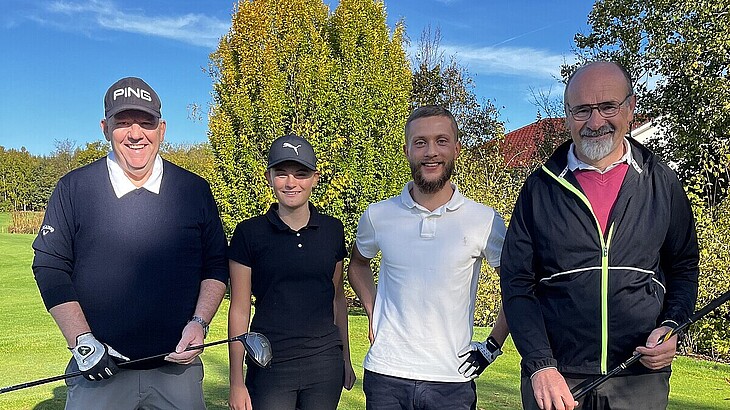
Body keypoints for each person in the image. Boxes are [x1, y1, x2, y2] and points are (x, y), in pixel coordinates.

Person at [500, 61, 699, 410]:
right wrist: (539, 364)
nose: (595, 122)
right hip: (556, 379)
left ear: (630, 107)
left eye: (608, 107)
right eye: (582, 110)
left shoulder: (662, 183)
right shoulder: (539, 188)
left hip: (639, 378)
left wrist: (672, 326)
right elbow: (517, 282)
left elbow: (683, 267)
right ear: (567, 115)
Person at [32, 77, 229, 409]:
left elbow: (216, 265)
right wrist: (82, 341)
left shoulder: (194, 190)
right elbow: (50, 266)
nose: (135, 133)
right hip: (99, 373)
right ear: (105, 128)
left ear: (161, 129)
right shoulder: (74, 188)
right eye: (123, 122)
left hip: (177, 371)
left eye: (146, 122)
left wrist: (199, 323)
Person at [348, 105, 510, 410]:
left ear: (457, 149)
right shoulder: (378, 215)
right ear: (407, 151)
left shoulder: (484, 220)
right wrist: (373, 311)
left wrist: (492, 346)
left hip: (452, 380)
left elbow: (517, 286)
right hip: (386, 374)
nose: (431, 151)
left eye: (441, 141)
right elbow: (357, 265)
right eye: (420, 142)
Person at [227, 134, 356, 410]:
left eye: (301, 173)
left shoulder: (333, 230)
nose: (291, 182)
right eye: (281, 173)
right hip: (269, 365)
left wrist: (345, 358)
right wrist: (236, 381)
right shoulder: (248, 233)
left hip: (324, 365)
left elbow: (337, 298)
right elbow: (239, 308)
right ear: (269, 177)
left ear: (315, 178)